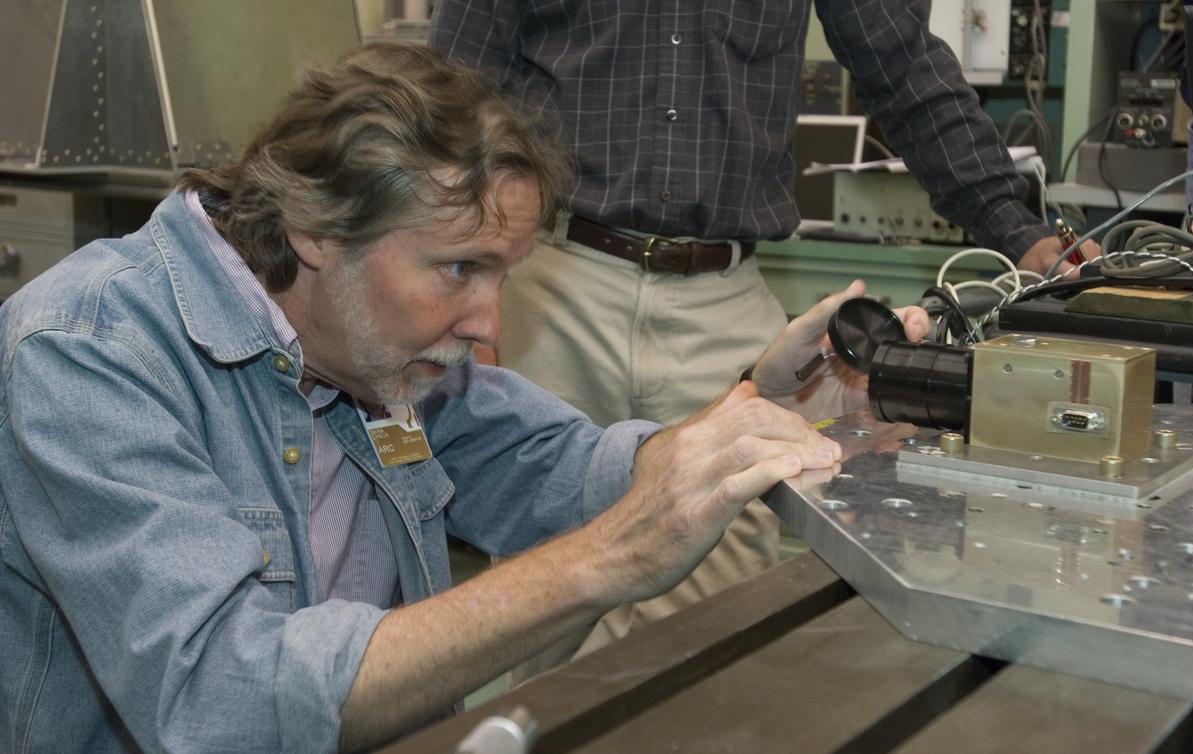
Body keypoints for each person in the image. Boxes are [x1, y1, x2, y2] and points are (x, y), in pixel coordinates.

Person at [0, 43, 925, 752]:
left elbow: (560, 469)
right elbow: (218, 701)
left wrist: (763, 413)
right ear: (314, 230)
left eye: (503, 275)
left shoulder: (382, 354)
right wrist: (605, 562)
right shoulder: (88, 355)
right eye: (458, 269)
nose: (486, 324)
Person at [429, 0, 1099, 668]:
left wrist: (1021, 231)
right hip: (552, 284)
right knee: (544, 604)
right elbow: (455, 87)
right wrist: (453, 281)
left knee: (706, 634)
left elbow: (902, 62)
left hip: (721, 298)